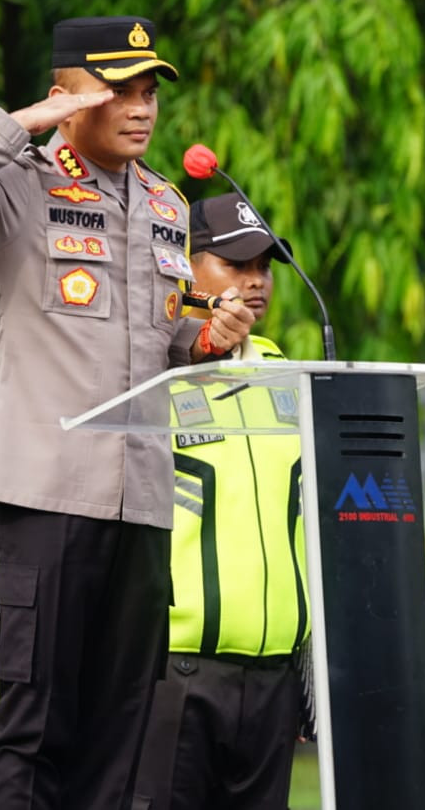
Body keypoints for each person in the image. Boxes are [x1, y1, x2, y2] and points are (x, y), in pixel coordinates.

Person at [0, 16, 256, 808]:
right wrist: (26, 120)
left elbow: (165, 339)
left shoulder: (165, 203)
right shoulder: (16, 187)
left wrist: (210, 339)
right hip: (49, 496)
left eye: (151, 90)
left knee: (119, 735)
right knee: (35, 726)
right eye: (120, 89)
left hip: (143, 505)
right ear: (70, 95)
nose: (143, 107)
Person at [132, 194, 309, 810]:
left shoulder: (286, 374)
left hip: (274, 680)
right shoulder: (152, 369)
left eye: (265, 266)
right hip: (175, 674)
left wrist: (305, 660)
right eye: (236, 265)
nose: (255, 282)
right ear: (184, 266)